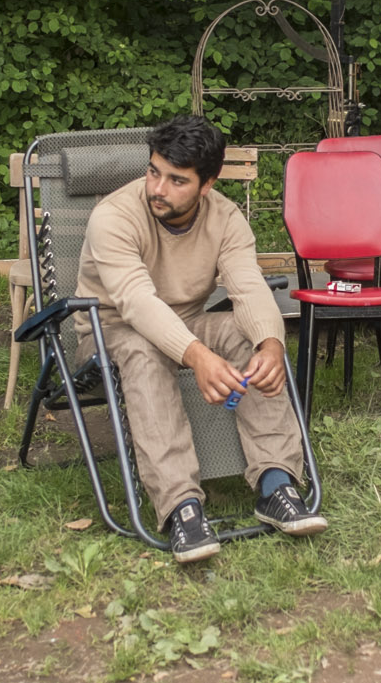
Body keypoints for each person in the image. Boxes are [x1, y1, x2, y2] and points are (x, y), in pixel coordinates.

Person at [72, 114, 326, 563]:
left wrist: (270, 343)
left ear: (207, 184)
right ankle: (180, 509)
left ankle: (275, 484)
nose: (158, 189)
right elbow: (135, 302)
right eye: (153, 172)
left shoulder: (225, 218)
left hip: (188, 322)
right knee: (143, 349)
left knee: (247, 336)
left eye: (176, 180)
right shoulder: (112, 216)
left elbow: (248, 287)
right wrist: (196, 356)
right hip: (109, 329)